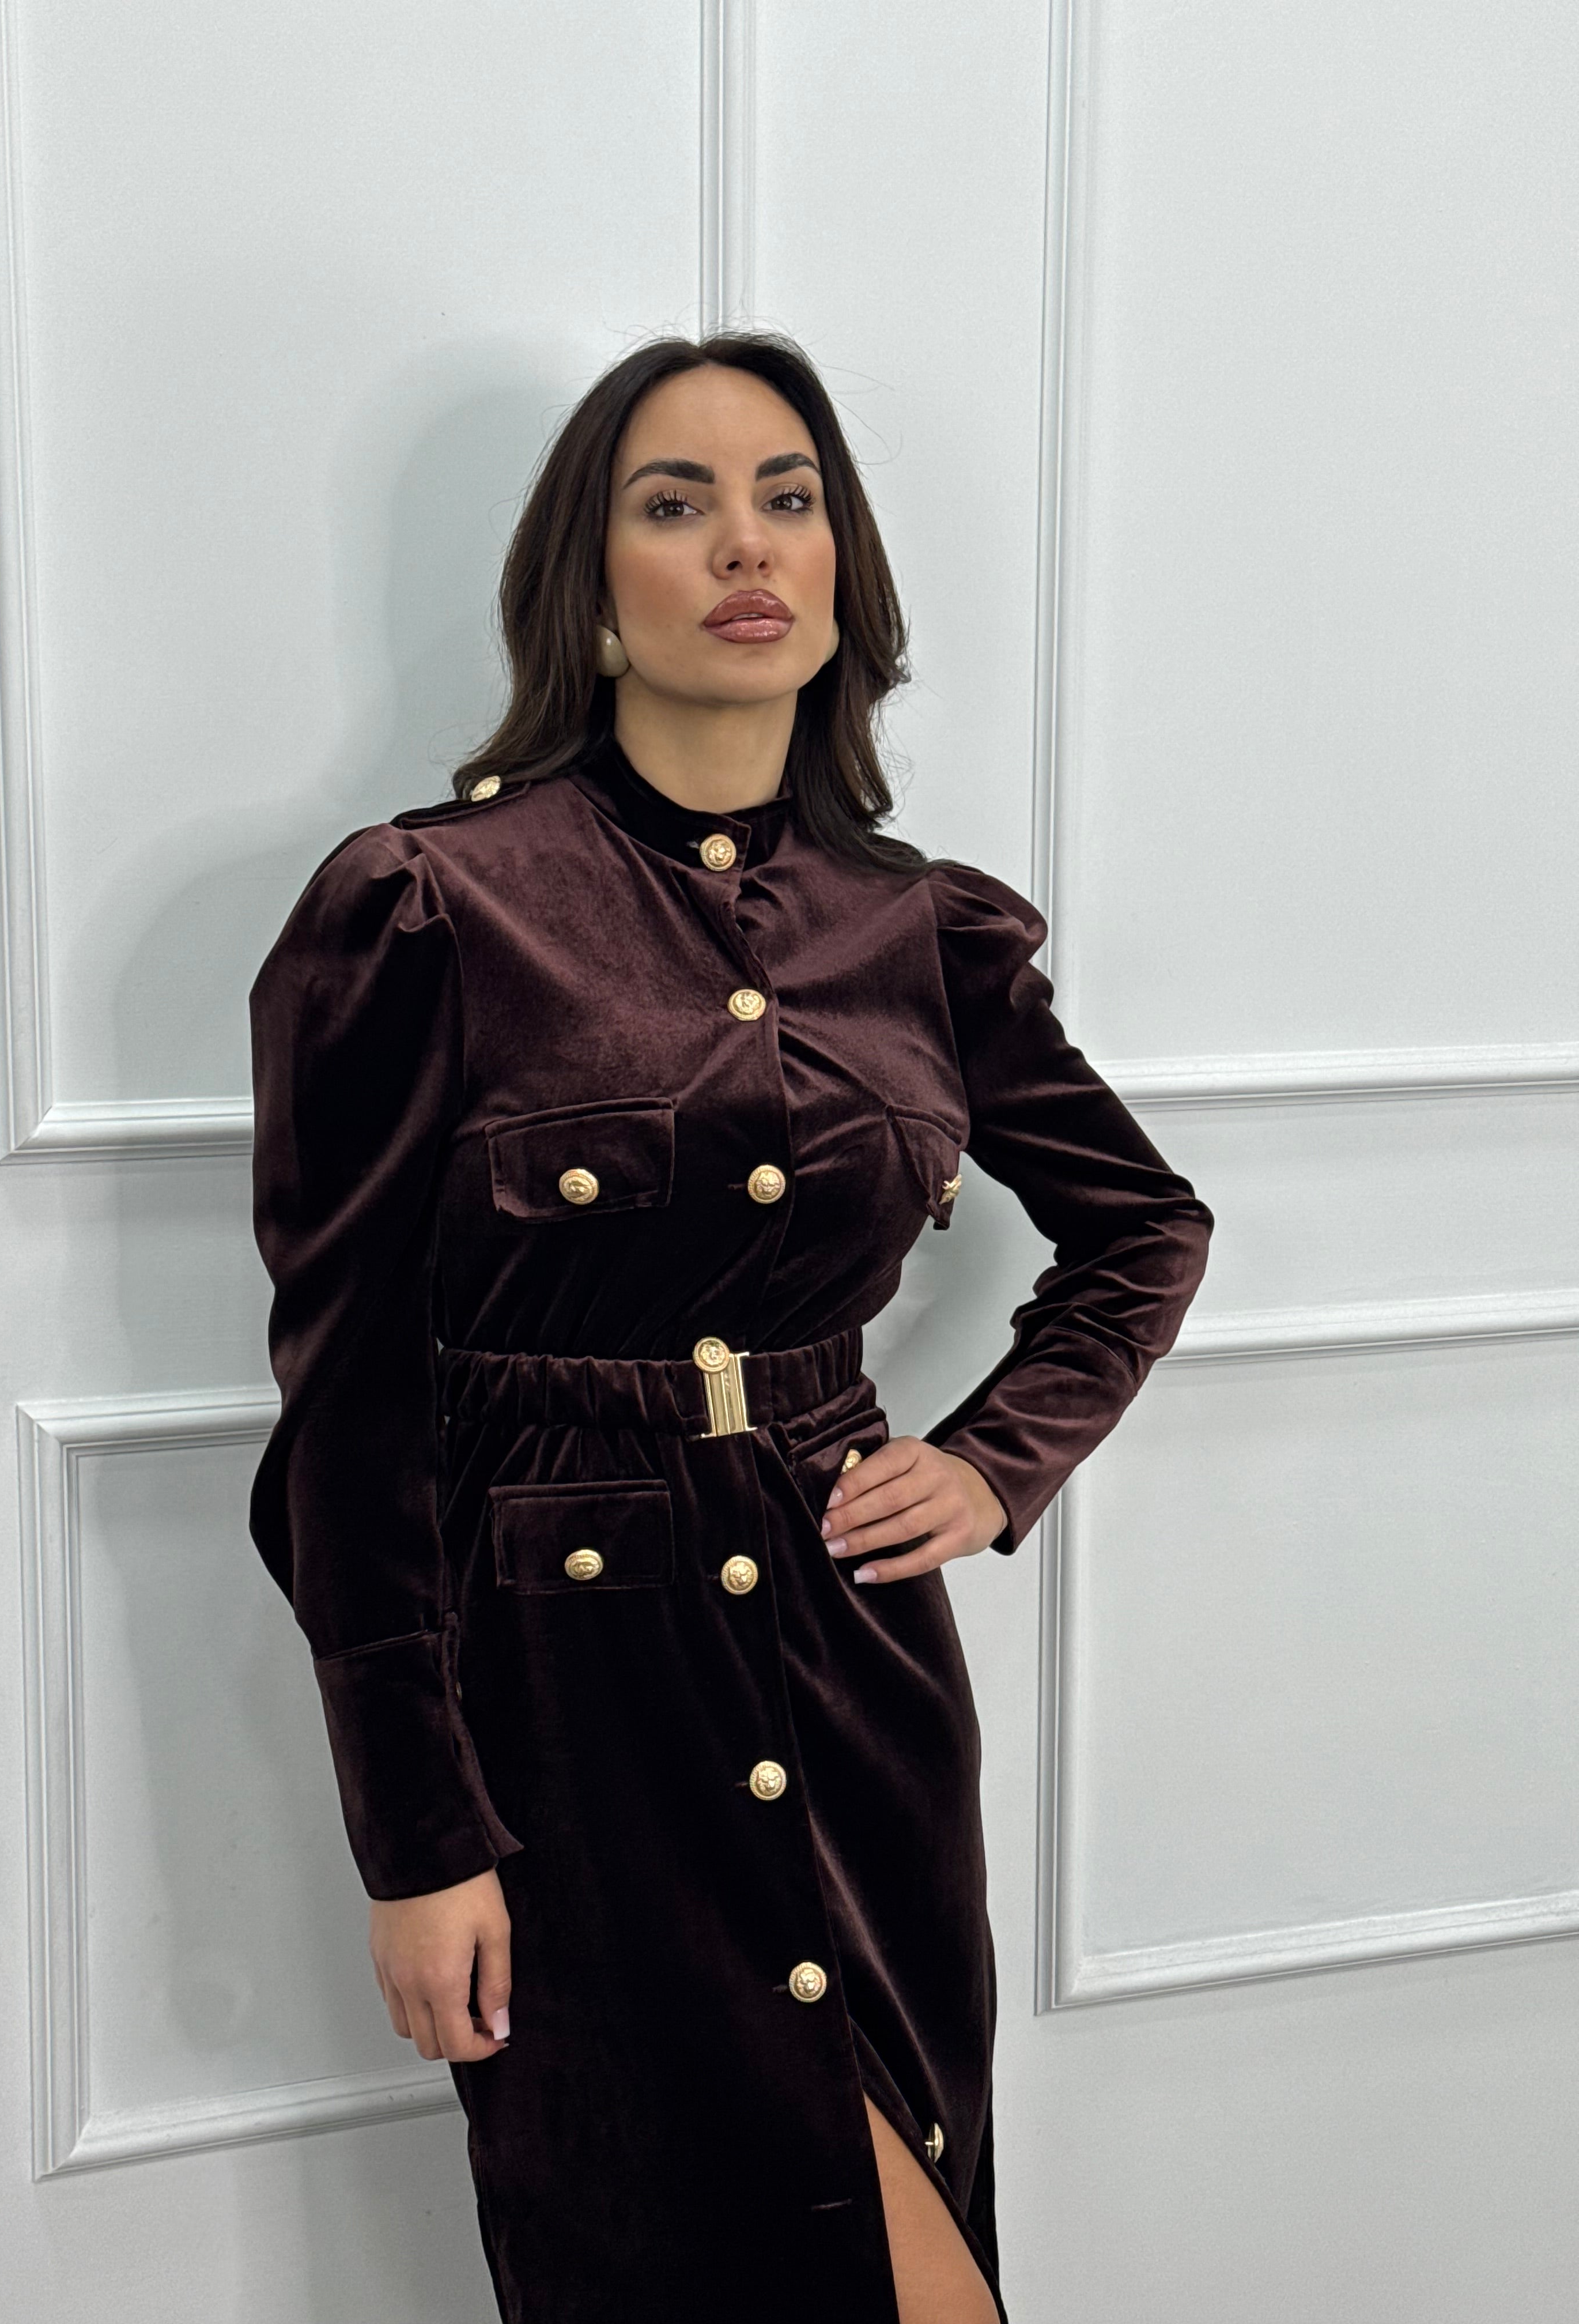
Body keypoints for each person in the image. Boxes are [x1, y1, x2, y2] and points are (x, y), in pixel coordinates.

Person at [247, 330, 1214, 2324]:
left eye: (789, 499)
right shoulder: (428, 909)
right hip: (568, 1711)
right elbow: (346, 1429)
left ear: (845, 565)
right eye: (674, 506)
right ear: (590, 587)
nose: (745, 547)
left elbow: (1144, 1228)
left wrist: (995, 1462)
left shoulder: (922, 930)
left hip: (863, 1689)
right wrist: (417, 1839)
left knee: (920, 2253)